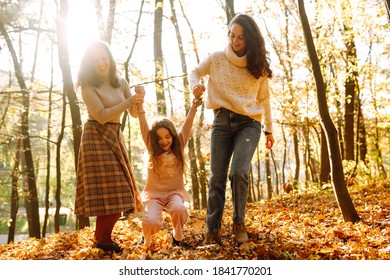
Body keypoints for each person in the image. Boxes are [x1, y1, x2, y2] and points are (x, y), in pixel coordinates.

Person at [189, 13, 275, 245]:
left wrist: (269, 129)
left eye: (241, 38)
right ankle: (213, 230)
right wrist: (196, 86)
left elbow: (264, 99)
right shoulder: (217, 59)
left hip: (249, 123)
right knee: (216, 176)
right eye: (231, 35)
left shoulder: (258, 66)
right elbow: (195, 72)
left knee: (238, 171)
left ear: (250, 39)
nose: (235, 41)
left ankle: (239, 223)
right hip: (222, 122)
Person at [74, 41, 145, 254]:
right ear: (90, 63)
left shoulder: (119, 81)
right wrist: (129, 101)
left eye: (104, 58)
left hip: (115, 134)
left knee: (120, 192)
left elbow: (131, 113)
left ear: (110, 59)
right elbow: (102, 116)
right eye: (96, 60)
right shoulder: (88, 86)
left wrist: (139, 101)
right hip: (96, 137)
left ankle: (100, 241)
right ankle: (103, 241)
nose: (101, 63)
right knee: (109, 195)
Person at [136, 94, 202, 248]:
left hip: (174, 193)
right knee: (150, 220)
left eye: (167, 136)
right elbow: (144, 126)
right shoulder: (152, 148)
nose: (164, 141)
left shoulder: (179, 145)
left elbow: (187, 125)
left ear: (172, 135)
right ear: (154, 139)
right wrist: (140, 108)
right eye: (159, 138)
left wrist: (193, 107)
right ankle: (145, 240)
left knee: (179, 209)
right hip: (154, 195)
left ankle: (177, 237)